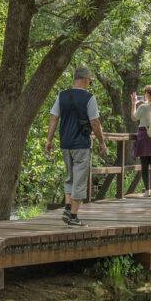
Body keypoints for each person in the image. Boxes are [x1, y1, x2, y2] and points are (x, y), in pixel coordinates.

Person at [46, 66, 108, 227]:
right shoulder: (89, 98)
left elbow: (54, 118)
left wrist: (49, 140)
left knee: (70, 176)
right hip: (81, 144)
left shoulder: (62, 96)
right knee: (79, 180)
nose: (90, 84)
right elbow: (95, 122)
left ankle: (67, 207)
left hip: (65, 144)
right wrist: (102, 142)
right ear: (85, 79)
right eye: (90, 81)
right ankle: (73, 217)